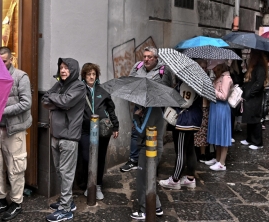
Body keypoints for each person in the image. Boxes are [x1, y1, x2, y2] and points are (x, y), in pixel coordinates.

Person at [0, 47, 32, 221]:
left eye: (4, 61)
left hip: (14, 130)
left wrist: (2, 110)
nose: (1, 64)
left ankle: (16, 203)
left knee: (15, 168)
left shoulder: (21, 77)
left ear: (11, 59)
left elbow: (26, 103)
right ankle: (0, 200)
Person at [42, 58, 85, 222]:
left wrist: (57, 100)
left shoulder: (79, 86)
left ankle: (66, 210)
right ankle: (68, 201)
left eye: (66, 68)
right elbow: (45, 100)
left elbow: (67, 101)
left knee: (66, 174)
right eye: (61, 68)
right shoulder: (59, 85)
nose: (63, 70)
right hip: (55, 135)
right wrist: (58, 100)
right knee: (60, 171)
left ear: (73, 70)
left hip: (69, 137)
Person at [120, 47, 173, 172]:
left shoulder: (163, 70)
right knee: (135, 132)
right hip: (139, 104)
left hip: (155, 107)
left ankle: (154, 164)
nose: (146, 59)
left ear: (156, 58)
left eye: (149, 57)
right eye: (144, 56)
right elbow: (130, 82)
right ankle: (134, 159)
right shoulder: (138, 66)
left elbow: (167, 89)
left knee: (155, 135)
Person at [78, 62, 119, 200]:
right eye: (89, 74)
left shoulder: (103, 90)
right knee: (86, 157)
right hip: (85, 130)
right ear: (84, 75)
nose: (91, 77)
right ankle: (89, 184)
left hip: (102, 130)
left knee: (100, 158)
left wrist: (116, 126)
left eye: (93, 74)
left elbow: (111, 109)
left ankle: (99, 185)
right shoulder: (79, 90)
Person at [159, 80, 202, 190]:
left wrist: (173, 98)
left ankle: (174, 180)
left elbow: (185, 103)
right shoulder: (194, 83)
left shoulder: (187, 83)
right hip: (191, 120)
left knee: (181, 151)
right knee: (190, 149)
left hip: (184, 122)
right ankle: (190, 179)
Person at [129, 104, 165, 220]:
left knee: (142, 180)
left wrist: (135, 118)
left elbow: (141, 131)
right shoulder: (154, 108)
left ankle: (144, 209)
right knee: (149, 178)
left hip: (149, 149)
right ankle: (157, 206)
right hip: (153, 148)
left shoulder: (151, 109)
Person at [205, 62, 232, 171]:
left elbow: (224, 96)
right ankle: (217, 158)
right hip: (216, 108)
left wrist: (213, 91)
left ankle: (222, 162)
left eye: (215, 67)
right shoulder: (219, 77)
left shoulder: (226, 78)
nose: (213, 69)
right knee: (217, 133)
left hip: (221, 109)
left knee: (223, 135)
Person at [239, 49, 267, 150]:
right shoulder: (254, 67)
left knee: (255, 118)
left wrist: (250, 93)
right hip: (250, 96)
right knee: (249, 117)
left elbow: (259, 84)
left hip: (254, 97)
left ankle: (257, 142)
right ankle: (250, 138)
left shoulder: (259, 67)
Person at [193, 59, 212, 162]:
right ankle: (197, 153)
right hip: (198, 107)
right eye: (202, 67)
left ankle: (203, 153)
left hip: (205, 106)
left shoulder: (207, 79)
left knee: (203, 131)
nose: (204, 69)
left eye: (205, 67)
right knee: (198, 131)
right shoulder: (195, 79)